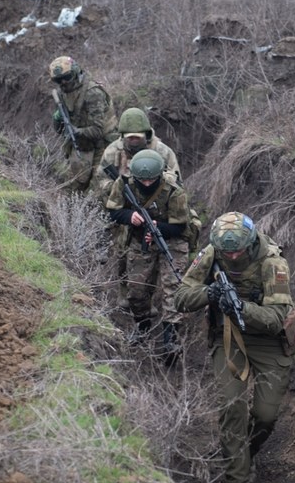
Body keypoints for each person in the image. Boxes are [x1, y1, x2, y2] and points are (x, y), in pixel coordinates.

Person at [175, 212, 295, 483]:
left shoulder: (272, 262)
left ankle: (243, 454)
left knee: (265, 415)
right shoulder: (212, 252)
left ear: (251, 242)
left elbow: (276, 319)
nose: (231, 256)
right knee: (232, 405)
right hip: (228, 336)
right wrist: (210, 293)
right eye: (226, 251)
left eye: (237, 251)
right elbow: (181, 296)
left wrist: (242, 306)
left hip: (268, 340)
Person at [96, 107, 199, 309]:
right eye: (130, 138)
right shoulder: (112, 151)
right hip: (125, 208)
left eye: (138, 137)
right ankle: (128, 295)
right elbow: (100, 179)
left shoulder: (163, 152)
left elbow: (175, 184)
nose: (133, 141)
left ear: (147, 134)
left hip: (158, 212)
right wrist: (117, 189)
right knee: (124, 253)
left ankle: (154, 301)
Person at [106, 149, 191, 361]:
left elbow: (180, 226)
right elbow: (114, 211)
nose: (146, 184)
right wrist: (130, 215)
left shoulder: (174, 190)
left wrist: (158, 227)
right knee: (136, 290)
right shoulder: (125, 183)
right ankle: (143, 326)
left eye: (151, 180)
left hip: (171, 241)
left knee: (173, 289)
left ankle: (170, 340)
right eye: (141, 180)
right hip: (139, 239)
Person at [48, 55, 119, 193]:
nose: (63, 83)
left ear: (75, 73)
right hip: (82, 145)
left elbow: (98, 131)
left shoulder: (93, 93)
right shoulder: (62, 94)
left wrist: (76, 131)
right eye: (58, 80)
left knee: (97, 190)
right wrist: (57, 118)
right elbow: (59, 130)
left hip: (103, 145)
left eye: (67, 77)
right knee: (71, 188)